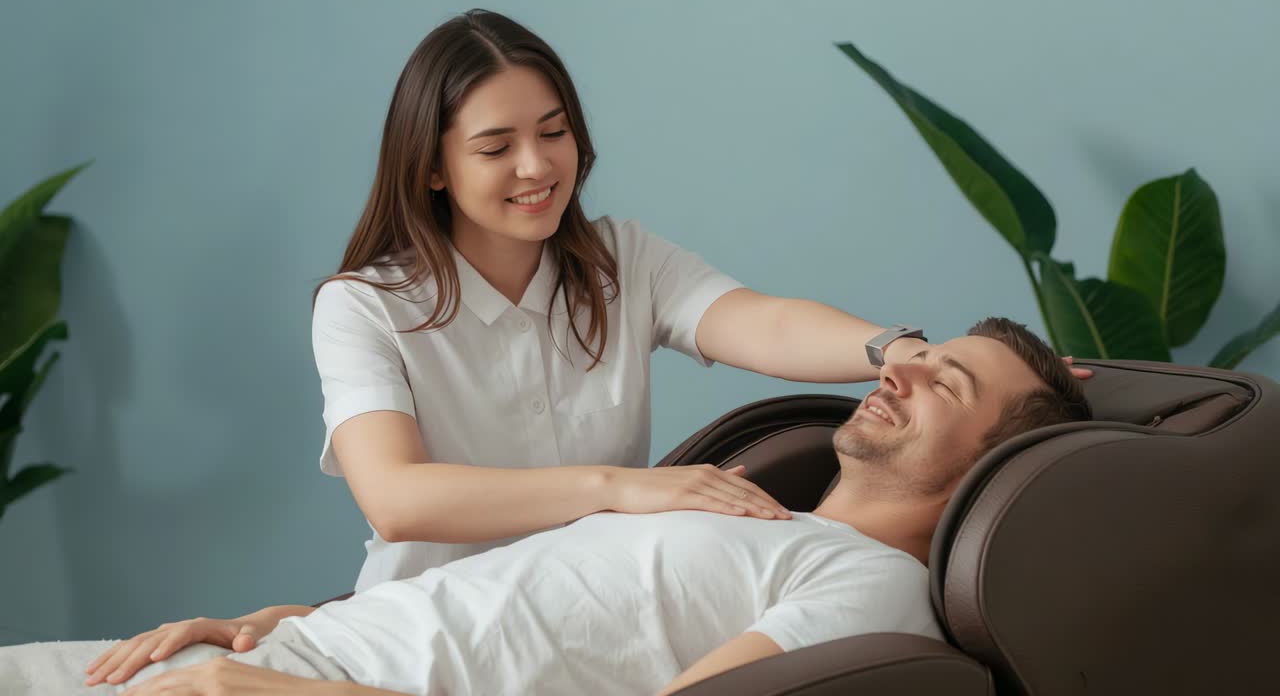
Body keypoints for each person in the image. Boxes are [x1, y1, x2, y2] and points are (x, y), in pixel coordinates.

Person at [81, 8, 1089, 688]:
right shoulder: (364, 306)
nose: (537, 166)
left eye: (554, 131)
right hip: (409, 629)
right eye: (495, 146)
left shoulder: (618, 263)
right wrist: (620, 486)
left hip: (497, 653)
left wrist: (896, 345)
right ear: (430, 167)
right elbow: (399, 500)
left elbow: (760, 321)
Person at [0, 317, 1090, 695]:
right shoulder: (748, 505)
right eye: (909, 355)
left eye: (940, 381)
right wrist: (273, 626)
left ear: (999, 469)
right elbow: (518, 613)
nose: (894, 371)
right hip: (273, 654)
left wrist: (281, 693)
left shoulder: (868, 588)